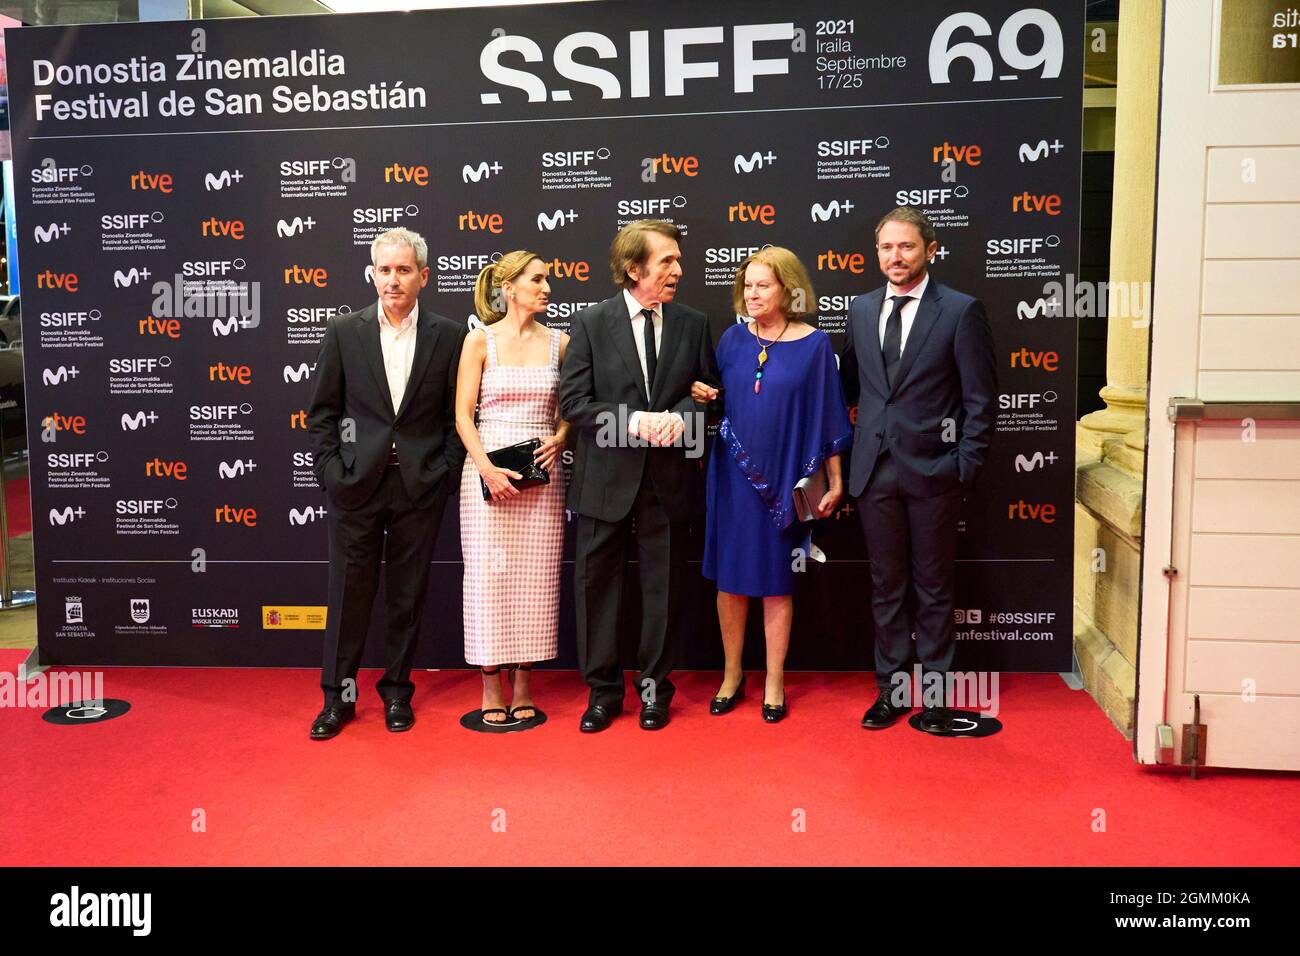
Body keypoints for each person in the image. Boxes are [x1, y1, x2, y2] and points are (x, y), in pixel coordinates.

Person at [839, 207, 997, 734]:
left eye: (906, 247)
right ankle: (891, 690)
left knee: (932, 588)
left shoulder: (959, 311)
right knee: (886, 586)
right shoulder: (861, 310)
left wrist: (963, 467)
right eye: (886, 247)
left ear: (930, 249)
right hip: (873, 473)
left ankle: (934, 696)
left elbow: (980, 399)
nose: (895, 257)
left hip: (935, 473)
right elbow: (851, 387)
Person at [305, 227, 467, 739]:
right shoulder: (343, 332)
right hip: (355, 485)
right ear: (372, 273)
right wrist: (333, 473)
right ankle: (338, 699)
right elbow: (322, 414)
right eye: (384, 269)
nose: (392, 280)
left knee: (407, 596)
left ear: (424, 275)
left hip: (418, 486)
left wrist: (444, 470)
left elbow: (455, 417)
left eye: (403, 270)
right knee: (348, 595)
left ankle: (397, 692)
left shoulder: (450, 336)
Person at [559, 220, 719, 732]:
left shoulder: (693, 322)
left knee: (663, 591)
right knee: (597, 589)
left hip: (669, 482)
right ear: (634, 269)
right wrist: (632, 421)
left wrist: (683, 418)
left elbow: (708, 394)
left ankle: (655, 692)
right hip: (604, 481)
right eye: (667, 260)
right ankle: (602, 695)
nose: (679, 269)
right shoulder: (589, 323)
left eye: (678, 259)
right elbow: (575, 403)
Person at [693, 248, 851, 722]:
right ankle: (732, 674)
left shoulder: (815, 344)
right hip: (731, 477)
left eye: (764, 285)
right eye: (748, 285)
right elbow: (714, 402)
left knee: (776, 582)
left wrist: (837, 479)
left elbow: (829, 416)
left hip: (785, 478)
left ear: (788, 288)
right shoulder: (731, 341)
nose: (753, 293)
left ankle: (775, 680)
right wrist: (701, 394)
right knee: (730, 582)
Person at [455, 251, 568, 726]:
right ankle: (489, 682)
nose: (546, 288)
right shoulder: (479, 341)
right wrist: (486, 468)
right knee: (488, 581)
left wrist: (561, 440)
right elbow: (463, 413)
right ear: (508, 286)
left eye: (547, 279)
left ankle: (524, 682)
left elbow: (570, 411)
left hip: (543, 479)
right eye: (537, 279)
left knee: (537, 579)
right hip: (487, 473)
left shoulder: (561, 343)